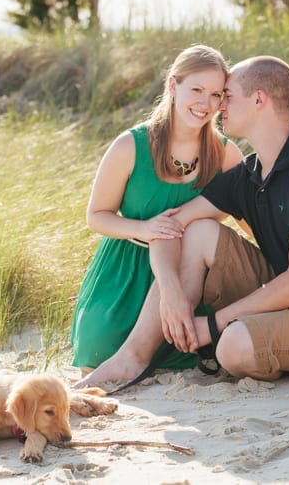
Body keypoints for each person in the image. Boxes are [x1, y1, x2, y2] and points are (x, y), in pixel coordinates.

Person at [77, 55, 289, 387]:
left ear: (259, 99)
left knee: (233, 346)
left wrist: (213, 325)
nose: (218, 107)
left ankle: (248, 343)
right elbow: (171, 224)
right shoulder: (249, 173)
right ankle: (133, 358)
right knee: (200, 231)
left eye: (226, 96)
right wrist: (171, 289)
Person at [70, 45, 244, 371]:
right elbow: (97, 216)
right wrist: (145, 229)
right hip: (126, 269)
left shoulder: (225, 154)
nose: (206, 104)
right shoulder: (130, 146)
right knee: (98, 351)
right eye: (196, 90)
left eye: (216, 94)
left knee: (196, 351)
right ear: (172, 86)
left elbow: (251, 218)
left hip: (195, 274)